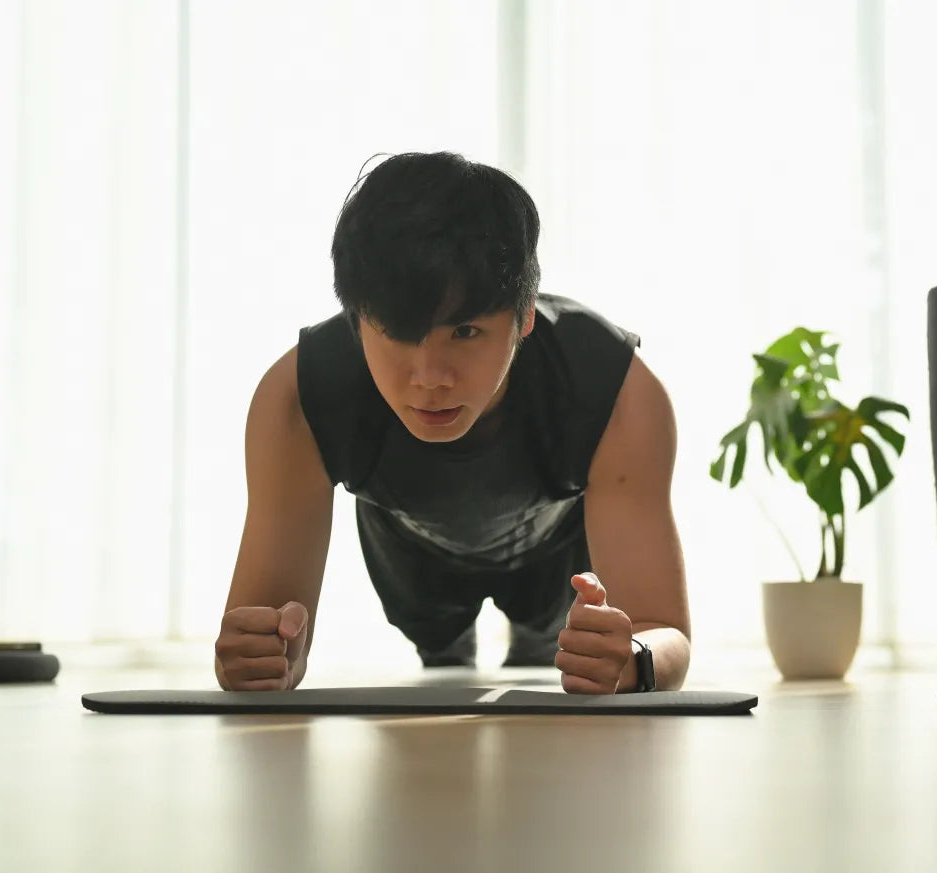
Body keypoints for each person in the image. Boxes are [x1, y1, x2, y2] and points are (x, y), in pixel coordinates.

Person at [213, 151, 690, 694]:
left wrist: (632, 658)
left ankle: (542, 636)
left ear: (525, 314)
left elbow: (663, 630)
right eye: (396, 333)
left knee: (564, 647)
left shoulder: (614, 387)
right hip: (408, 549)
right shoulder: (298, 397)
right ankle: (448, 638)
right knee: (443, 662)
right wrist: (259, 657)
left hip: (558, 548)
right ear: (355, 318)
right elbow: (261, 636)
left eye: (464, 332)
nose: (429, 378)